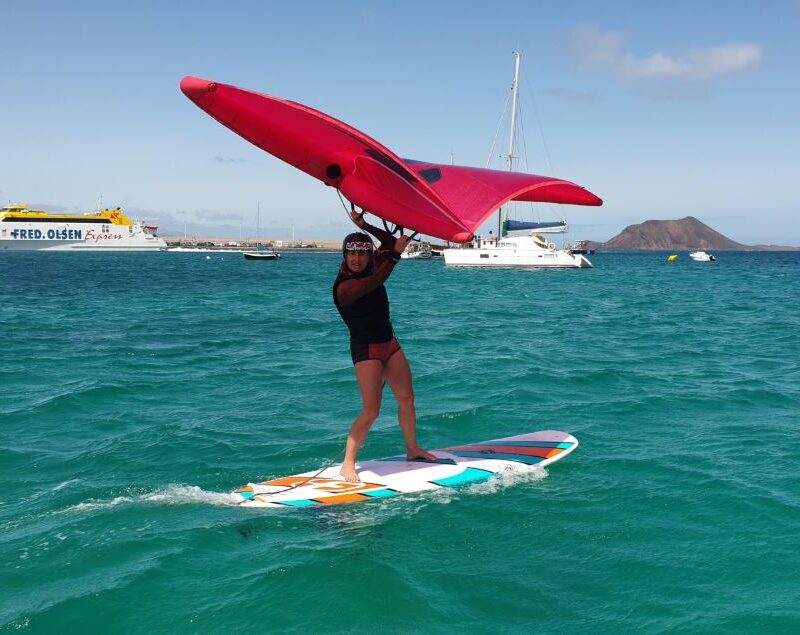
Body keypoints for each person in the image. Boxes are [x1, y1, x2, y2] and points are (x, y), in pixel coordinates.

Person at [332, 209, 437, 482]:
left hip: (389, 343)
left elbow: (389, 240)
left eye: (362, 254)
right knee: (372, 411)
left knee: (407, 398)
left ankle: (412, 449)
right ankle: (348, 464)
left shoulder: (373, 264)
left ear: (368, 256)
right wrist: (395, 256)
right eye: (351, 254)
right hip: (366, 350)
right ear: (345, 256)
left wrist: (366, 224)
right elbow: (375, 282)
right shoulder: (344, 287)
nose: (356, 259)